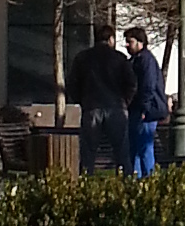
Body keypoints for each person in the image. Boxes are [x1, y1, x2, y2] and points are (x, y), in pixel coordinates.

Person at [67, 25, 133, 172]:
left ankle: (86, 184)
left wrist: (82, 100)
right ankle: (127, 184)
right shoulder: (120, 58)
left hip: (91, 107)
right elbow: (131, 83)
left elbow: (72, 84)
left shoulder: (82, 58)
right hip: (116, 108)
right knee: (122, 152)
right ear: (111, 39)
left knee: (88, 153)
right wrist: (125, 101)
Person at [123, 24, 169, 172]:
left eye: (130, 42)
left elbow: (148, 86)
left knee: (143, 148)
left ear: (139, 42)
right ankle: (139, 180)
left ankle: (147, 179)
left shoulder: (145, 60)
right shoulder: (139, 59)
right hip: (142, 108)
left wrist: (144, 107)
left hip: (145, 110)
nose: (127, 45)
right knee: (137, 148)